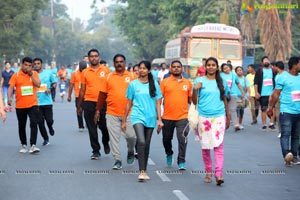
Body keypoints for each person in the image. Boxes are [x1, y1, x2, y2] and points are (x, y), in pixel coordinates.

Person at [122, 60, 163, 181]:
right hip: (137, 116)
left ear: (149, 70)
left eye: (144, 68)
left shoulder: (154, 84)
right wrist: (124, 120)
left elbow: (158, 102)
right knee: (141, 141)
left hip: (150, 117)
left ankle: (144, 170)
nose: (142, 70)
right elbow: (128, 103)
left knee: (147, 144)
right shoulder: (133, 84)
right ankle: (141, 171)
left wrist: (159, 120)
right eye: (140, 68)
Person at [94, 54, 136, 170]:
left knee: (131, 136)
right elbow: (102, 94)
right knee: (114, 138)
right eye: (117, 62)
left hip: (129, 113)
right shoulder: (108, 77)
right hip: (111, 112)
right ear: (113, 64)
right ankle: (117, 159)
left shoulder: (132, 76)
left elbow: (137, 94)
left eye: (121, 62)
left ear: (125, 63)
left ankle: (131, 150)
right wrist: (98, 110)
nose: (119, 64)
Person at [192, 57, 230, 186]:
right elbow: (193, 101)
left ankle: (218, 174)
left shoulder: (222, 81)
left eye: (213, 65)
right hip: (203, 118)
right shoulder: (199, 81)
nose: (211, 67)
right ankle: (208, 172)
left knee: (218, 145)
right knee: (206, 147)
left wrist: (228, 117)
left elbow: (225, 99)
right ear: (205, 66)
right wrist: (195, 89)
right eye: (209, 65)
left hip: (219, 117)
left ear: (217, 67)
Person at [77, 49, 110, 159]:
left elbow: (110, 86)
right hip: (89, 102)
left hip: (104, 102)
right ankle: (96, 150)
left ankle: (106, 141)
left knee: (104, 126)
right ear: (89, 58)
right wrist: (79, 106)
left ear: (99, 57)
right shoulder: (85, 72)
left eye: (96, 56)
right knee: (92, 127)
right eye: (92, 56)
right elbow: (82, 90)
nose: (94, 58)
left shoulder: (106, 70)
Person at [267, 56, 300, 166]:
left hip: (298, 112)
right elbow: (276, 94)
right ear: (295, 64)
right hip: (286, 111)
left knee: (296, 136)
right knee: (286, 134)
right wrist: (270, 107)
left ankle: (294, 156)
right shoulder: (283, 77)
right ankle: (287, 154)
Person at [160, 60, 192, 170]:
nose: (176, 68)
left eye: (178, 67)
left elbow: (191, 101)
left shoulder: (187, 83)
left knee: (182, 138)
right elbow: (159, 100)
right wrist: (159, 117)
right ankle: (169, 153)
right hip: (167, 117)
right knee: (166, 139)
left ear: (182, 69)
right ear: (170, 69)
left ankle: (181, 160)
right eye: (174, 67)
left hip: (182, 117)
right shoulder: (165, 82)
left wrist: (196, 113)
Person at [7, 57, 41, 154]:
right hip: (20, 105)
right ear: (22, 65)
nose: (27, 67)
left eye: (30, 66)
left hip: (33, 104)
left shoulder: (34, 74)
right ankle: (24, 144)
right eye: (25, 65)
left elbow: (38, 84)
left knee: (34, 123)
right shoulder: (16, 75)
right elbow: (10, 87)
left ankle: (33, 145)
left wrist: (31, 75)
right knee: (22, 125)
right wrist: (9, 98)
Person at [33, 58, 56, 146]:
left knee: (49, 120)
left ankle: (50, 126)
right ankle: (45, 138)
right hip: (36, 102)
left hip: (47, 101)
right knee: (40, 122)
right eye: (35, 64)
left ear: (41, 64)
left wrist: (50, 89)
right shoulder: (32, 75)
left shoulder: (48, 73)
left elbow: (54, 83)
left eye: (38, 63)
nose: (36, 65)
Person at [254, 56, 277, 131]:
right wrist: (256, 92)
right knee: (264, 109)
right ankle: (264, 124)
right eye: (265, 61)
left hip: (272, 93)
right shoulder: (259, 71)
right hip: (262, 93)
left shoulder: (273, 71)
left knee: (273, 108)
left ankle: (271, 123)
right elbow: (256, 82)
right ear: (262, 63)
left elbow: (276, 82)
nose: (266, 61)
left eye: (267, 60)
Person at [220, 63, 244, 131]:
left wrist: (242, 92)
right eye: (224, 69)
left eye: (227, 67)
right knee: (224, 110)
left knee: (233, 109)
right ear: (222, 70)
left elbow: (238, 83)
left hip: (233, 94)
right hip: (224, 95)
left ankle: (236, 125)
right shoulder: (221, 75)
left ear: (230, 68)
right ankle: (223, 124)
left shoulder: (234, 75)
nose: (226, 69)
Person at [68, 61, 87, 132]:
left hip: (87, 95)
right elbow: (71, 85)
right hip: (78, 96)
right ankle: (80, 125)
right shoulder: (74, 74)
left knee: (87, 111)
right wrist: (69, 96)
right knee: (79, 110)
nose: (83, 70)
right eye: (82, 68)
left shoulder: (88, 73)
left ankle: (88, 123)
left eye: (84, 68)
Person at [272, 61, 287, 138]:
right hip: (278, 99)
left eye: (273, 67)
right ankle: (281, 131)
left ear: (277, 67)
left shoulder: (286, 75)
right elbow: (276, 89)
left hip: (286, 99)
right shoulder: (277, 76)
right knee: (278, 115)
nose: (273, 68)